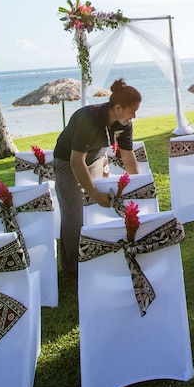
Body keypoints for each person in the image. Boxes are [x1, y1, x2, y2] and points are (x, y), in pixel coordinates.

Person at [53, 78, 141, 274]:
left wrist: (139, 183)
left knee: (92, 214)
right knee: (74, 215)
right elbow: (77, 161)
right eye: (132, 110)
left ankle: (95, 254)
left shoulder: (124, 124)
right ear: (118, 107)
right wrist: (93, 192)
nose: (134, 115)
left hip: (95, 159)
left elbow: (127, 155)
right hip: (68, 162)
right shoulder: (87, 119)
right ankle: (74, 268)